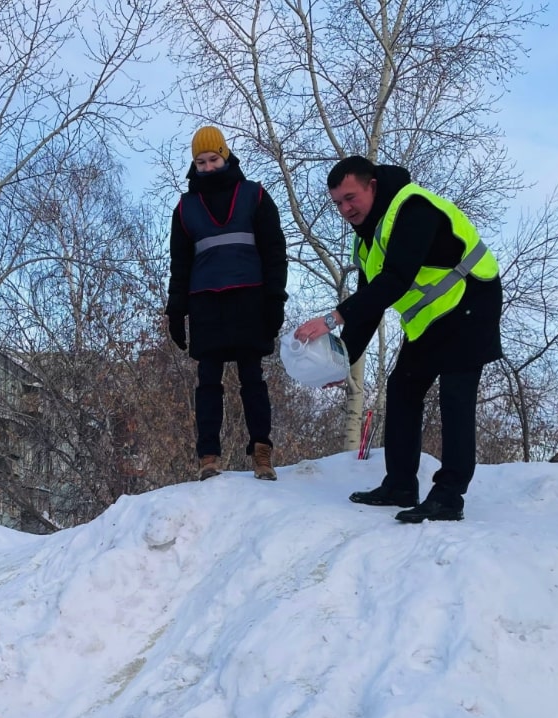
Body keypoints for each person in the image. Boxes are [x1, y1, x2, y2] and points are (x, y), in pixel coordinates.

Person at [294, 155, 502, 523]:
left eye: (350, 197)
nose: (344, 209)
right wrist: (341, 361)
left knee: (456, 393)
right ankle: (400, 484)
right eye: (337, 203)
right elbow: (368, 308)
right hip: (433, 317)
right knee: (403, 387)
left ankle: (449, 496)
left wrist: (330, 319)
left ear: (372, 186)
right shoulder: (366, 242)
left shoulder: (412, 207)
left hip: (471, 300)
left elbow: (396, 280)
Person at [166, 125, 289, 482]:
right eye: (200, 161)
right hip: (206, 304)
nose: (207, 166)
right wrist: (176, 310)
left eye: (213, 158)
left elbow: (274, 252)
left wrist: (275, 299)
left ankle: (262, 454)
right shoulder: (185, 207)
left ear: (226, 156)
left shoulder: (255, 196)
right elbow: (180, 263)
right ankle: (208, 457)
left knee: (253, 377)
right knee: (208, 381)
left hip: (250, 299)